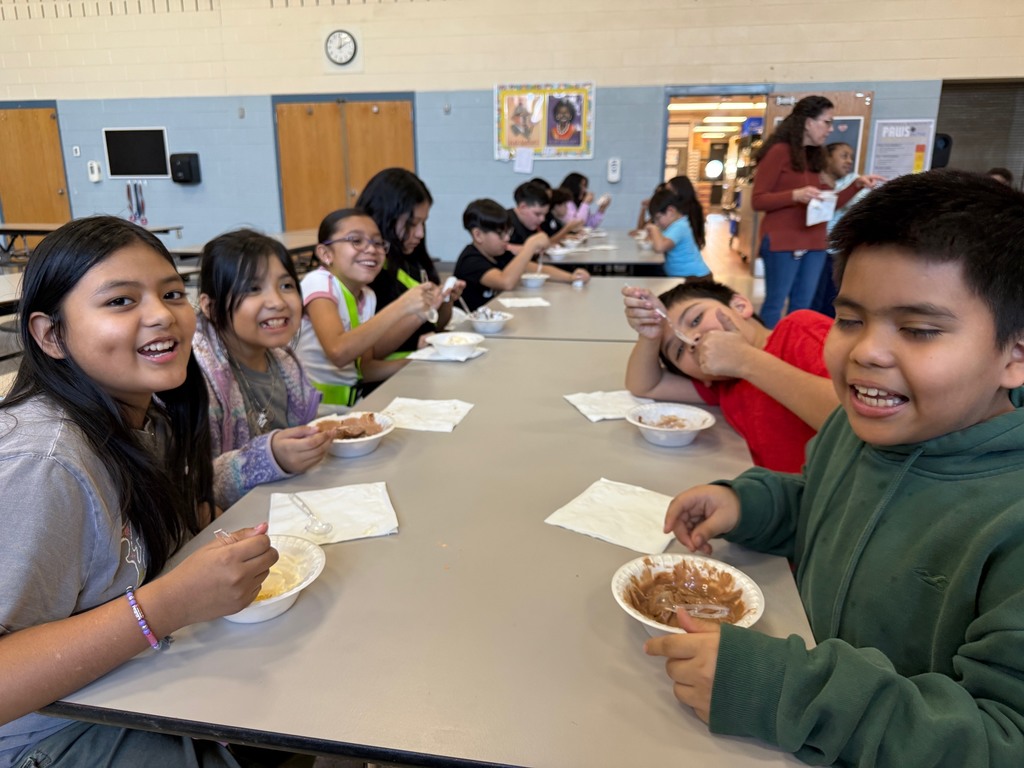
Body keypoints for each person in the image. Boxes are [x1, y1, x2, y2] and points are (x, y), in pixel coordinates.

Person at [645, 170, 1024, 766]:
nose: (865, 352)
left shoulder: (1010, 519)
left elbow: (1001, 741)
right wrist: (751, 504)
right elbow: (823, 504)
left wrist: (785, 690)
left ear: (1015, 354)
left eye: (919, 329)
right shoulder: (856, 428)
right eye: (849, 319)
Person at [0, 216, 278, 767]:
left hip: (132, 681)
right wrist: (168, 604)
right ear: (51, 335)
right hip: (50, 735)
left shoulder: (145, 418)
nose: (162, 315)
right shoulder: (44, 463)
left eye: (172, 293)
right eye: (121, 301)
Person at [622, 280, 835, 472]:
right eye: (678, 350)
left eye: (696, 320)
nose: (691, 340)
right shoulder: (725, 386)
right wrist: (650, 336)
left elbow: (848, 419)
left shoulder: (799, 330)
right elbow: (645, 385)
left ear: (740, 306)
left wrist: (746, 360)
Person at [193, 229, 332, 509]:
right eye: (253, 289)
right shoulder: (196, 377)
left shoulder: (286, 364)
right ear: (211, 307)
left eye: (286, 285)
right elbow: (196, 486)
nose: (278, 302)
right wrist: (269, 458)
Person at [752, 95, 883, 328]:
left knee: (803, 307)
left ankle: (795, 347)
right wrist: (795, 195)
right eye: (827, 122)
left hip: (814, 242)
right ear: (808, 122)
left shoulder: (815, 157)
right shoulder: (778, 152)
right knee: (775, 303)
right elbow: (758, 200)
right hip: (782, 242)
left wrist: (857, 185)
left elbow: (829, 204)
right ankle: (768, 346)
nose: (830, 129)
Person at [294, 208, 440, 410]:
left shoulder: (367, 296)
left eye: (378, 242)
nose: (371, 249)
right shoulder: (319, 282)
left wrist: (422, 362)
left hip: (354, 406)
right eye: (356, 240)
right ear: (326, 253)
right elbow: (339, 352)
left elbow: (366, 369)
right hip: (314, 411)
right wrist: (402, 306)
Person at [357, 168, 464, 355]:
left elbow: (435, 324)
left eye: (423, 223)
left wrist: (445, 300)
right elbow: (371, 352)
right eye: (412, 224)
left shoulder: (414, 259)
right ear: (385, 216)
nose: (420, 233)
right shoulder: (367, 270)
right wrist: (421, 314)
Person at [454, 199, 586, 310]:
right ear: (478, 235)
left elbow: (537, 269)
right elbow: (505, 282)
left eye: (508, 232)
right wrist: (530, 246)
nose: (507, 238)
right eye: (501, 234)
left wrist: (571, 277)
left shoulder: (501, 253)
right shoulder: (470, 260)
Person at [645, 187, 712, 281]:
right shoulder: (672, 226)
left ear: (671, 211)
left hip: (695, 278)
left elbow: (660, 247)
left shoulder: (680, 226)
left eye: (658, 218)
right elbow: (655, 240)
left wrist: (654, 228)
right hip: (683, 277)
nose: (657, 223)